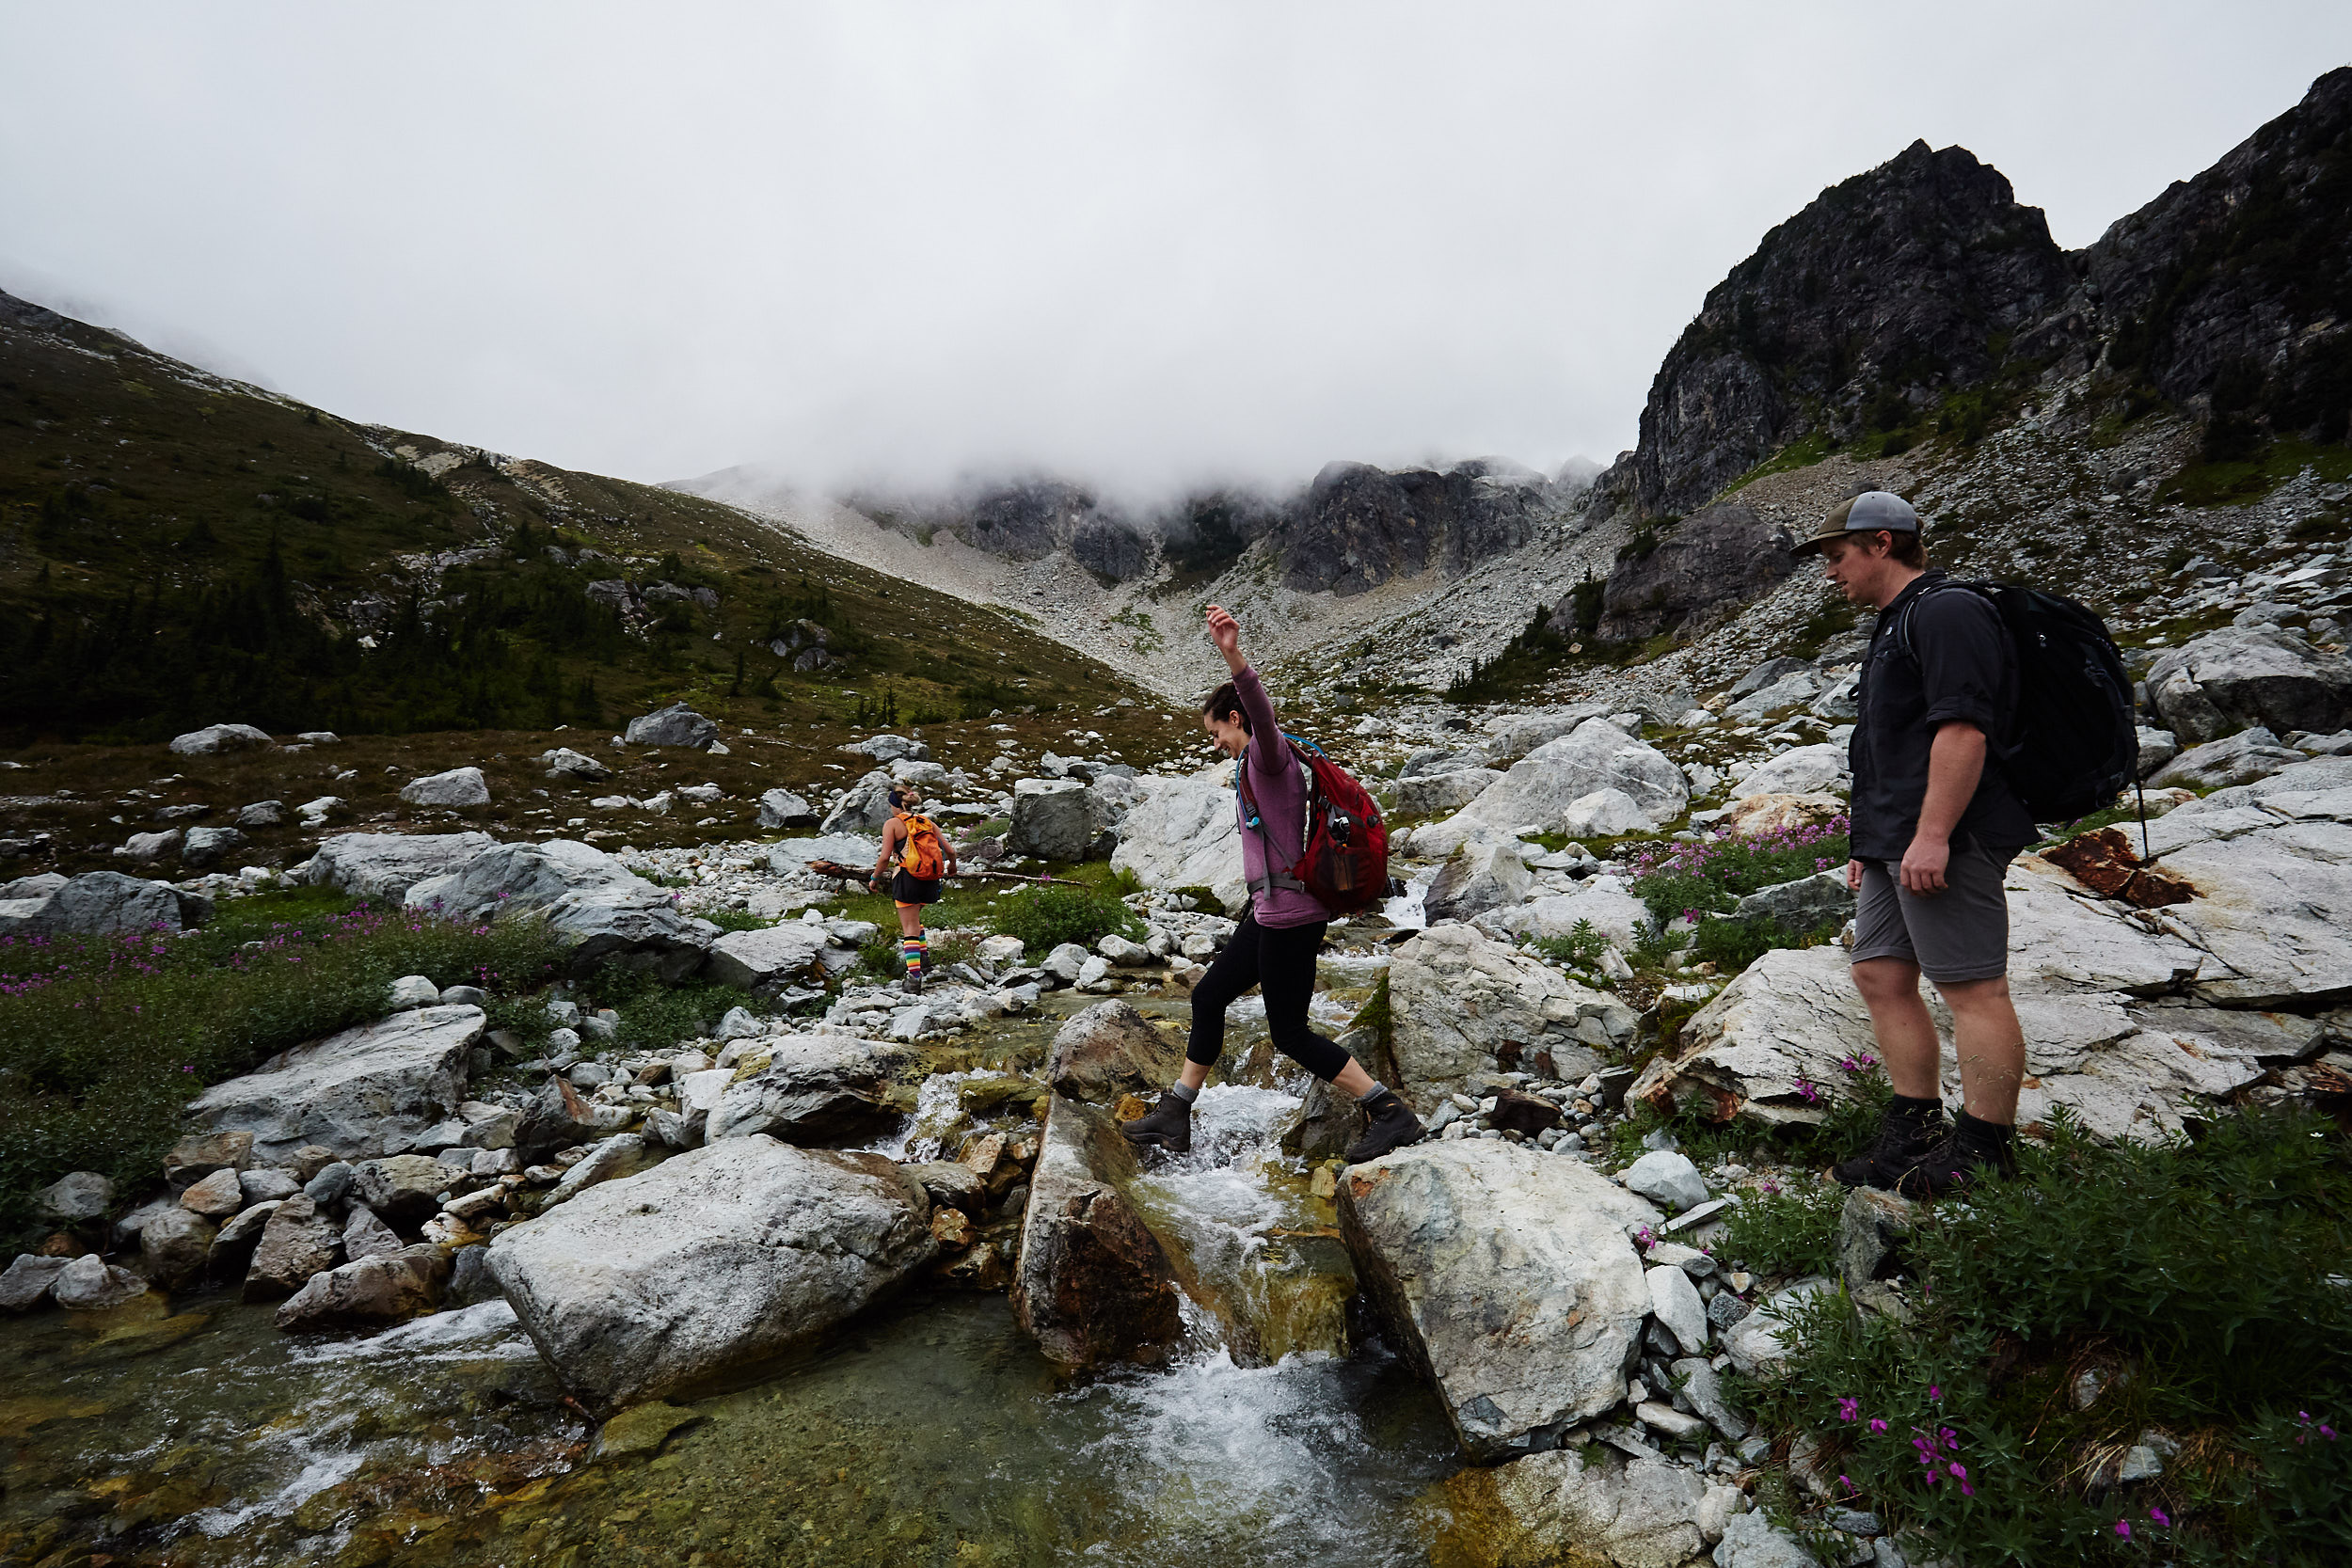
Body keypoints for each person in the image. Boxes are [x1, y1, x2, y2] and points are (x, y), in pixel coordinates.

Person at [1122, 604, 1425, 1164]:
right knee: (1210, 996)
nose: (1216, 745)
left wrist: (1233, 655)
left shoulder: (1269, 756)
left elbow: (1262, 714)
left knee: (1288, 1033)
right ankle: (1176, 1113)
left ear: (1235, 720)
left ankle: (1389, 1111)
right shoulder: (1256, 765)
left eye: (1217, 733)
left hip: (1292, 919)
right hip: (1269, 915)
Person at [1796, 492, 2033, 1197]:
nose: (1829, 573)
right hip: (1894, 840)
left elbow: (1962, 730)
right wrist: (1869, 844)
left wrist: (1933, 835)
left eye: (1837, 557)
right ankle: (1916, 1128)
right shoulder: (1896, 623)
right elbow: (1888, 746)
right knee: (1879, 973)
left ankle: (1986, 1152)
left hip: (1946, 835)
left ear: (1881, 543)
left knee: (1973, 987)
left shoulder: (1944, 610)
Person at [868, 780, 956, 995]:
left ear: (894, 805)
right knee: (915, 920)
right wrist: (951, 868)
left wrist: (874, 878)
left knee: (909, 928)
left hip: (907, 878)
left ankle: (914, 978)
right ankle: (924, 962)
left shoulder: (893, 824)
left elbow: (883, 859)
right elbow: (951, 851)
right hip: (930, 879)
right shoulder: (926, 822)